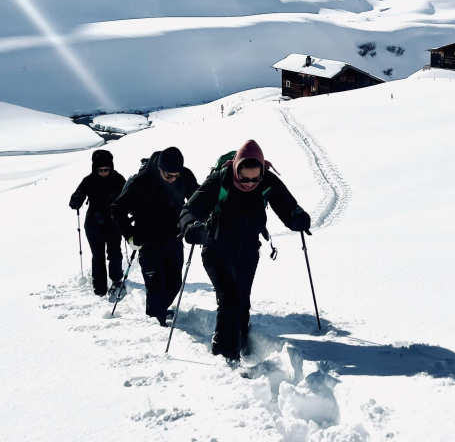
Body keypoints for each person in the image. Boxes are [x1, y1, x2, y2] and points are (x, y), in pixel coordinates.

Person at [180, 140, 311, 363]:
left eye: (255, 178)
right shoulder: (219, 180)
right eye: (244, 178)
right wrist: (191, 226)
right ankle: (225, 357)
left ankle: (241, 342)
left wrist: (297, 217)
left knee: (242, 301)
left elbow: (286, 205)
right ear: (235, 169)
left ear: (262, 170)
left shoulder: (267, 181)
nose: (250, 183)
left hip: (248, 250)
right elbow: (190, 209)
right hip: (215, 250)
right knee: (229, 299)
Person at [112, 147, 199, 327]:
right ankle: (154, 321)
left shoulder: (185, 176)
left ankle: (158, 311)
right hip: (148, 240)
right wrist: (129, 236)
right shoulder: (142, 182)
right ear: (159, 168)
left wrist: (196, 223)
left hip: (174, 238)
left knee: (174, 284)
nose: (174, 179)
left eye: (177, 175)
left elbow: (198, 200)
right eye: (169, 176)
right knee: (155, 287)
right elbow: (117, 209)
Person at [69, 150, 127, 298]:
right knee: (98, 256)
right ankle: (99, 288)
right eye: (100, 170)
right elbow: (78, 197)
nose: (103, 173)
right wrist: (75, 200)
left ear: (111, 167)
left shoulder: (119, 179)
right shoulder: (88, 181)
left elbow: (129, 197)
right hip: (94, 225)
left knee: (115, 254)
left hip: (114, 224)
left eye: (106, 169)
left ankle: (117, 280)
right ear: (94, 169)